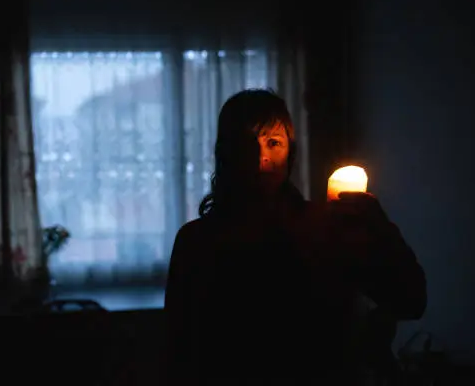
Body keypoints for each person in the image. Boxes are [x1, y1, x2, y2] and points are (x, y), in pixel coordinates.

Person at [164, 89, 426, 385]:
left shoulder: (325, 229)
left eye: (273, 143)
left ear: (290, 153)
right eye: (245, 143)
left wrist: (379, 226)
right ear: (226, 152)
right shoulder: (196, 242)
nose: (261, 156)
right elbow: (178, 354)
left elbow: (411, 300)